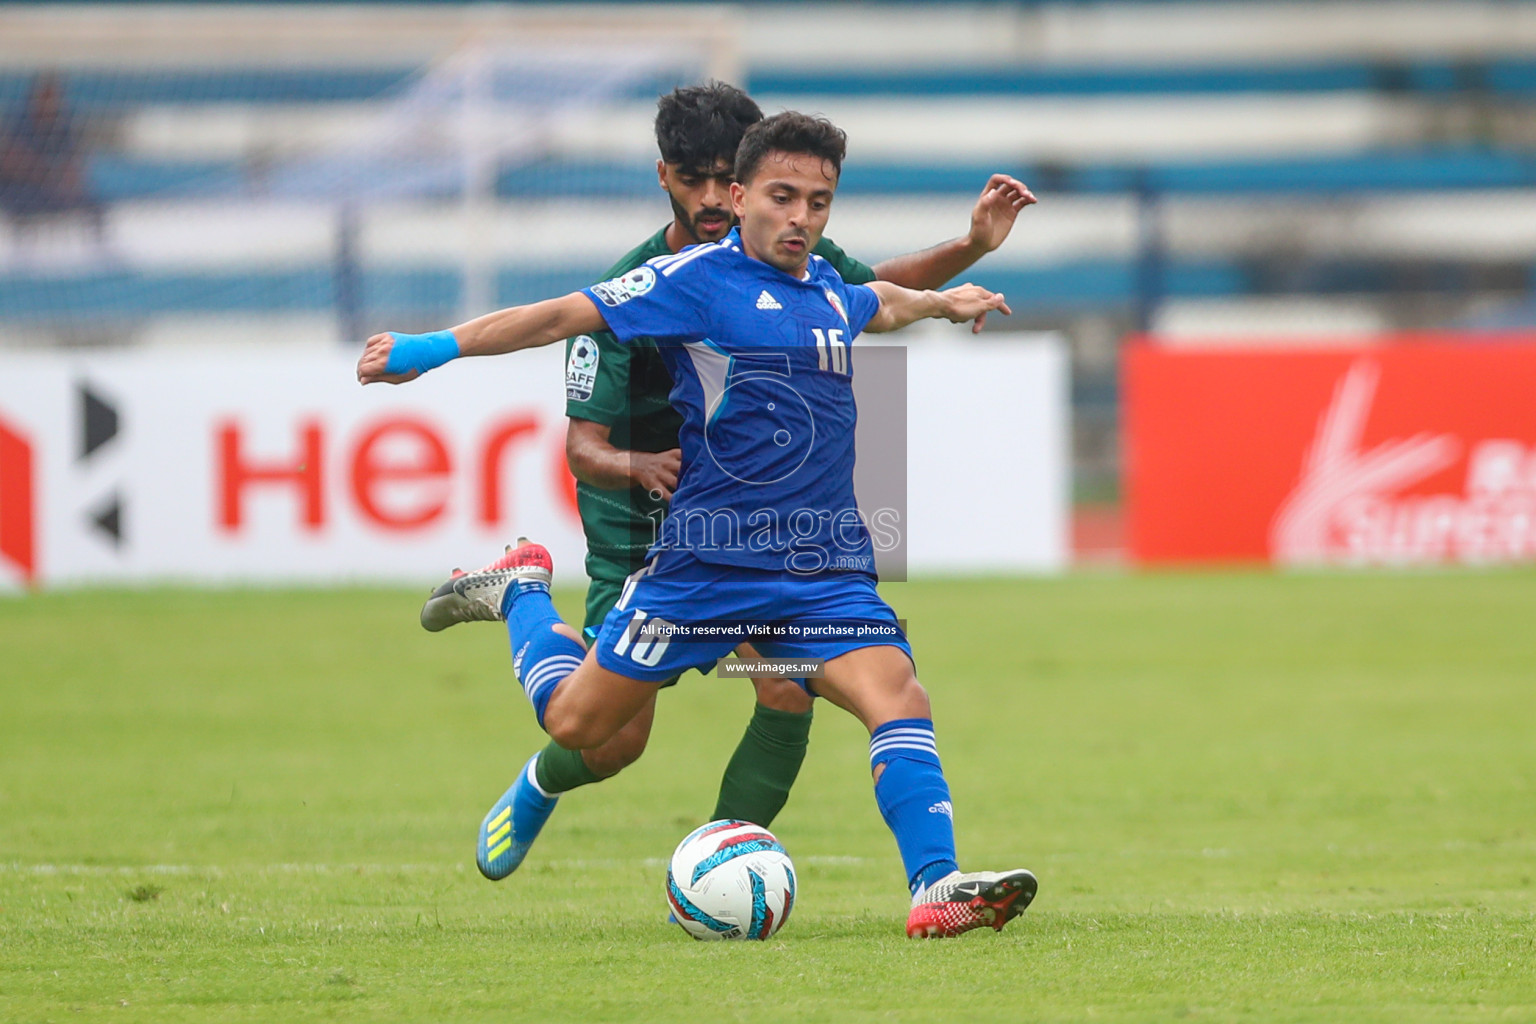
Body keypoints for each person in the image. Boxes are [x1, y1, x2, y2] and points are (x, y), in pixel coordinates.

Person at [358, 111, 1038, 938]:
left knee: (898, 695)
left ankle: (935, 886)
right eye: (783, 197)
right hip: (702, 572)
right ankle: (523, 594)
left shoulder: (826, 283)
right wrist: (432, 348)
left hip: (821, 568)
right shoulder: (690, 282)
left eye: (818, 202)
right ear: (742, 194)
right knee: (581, 726)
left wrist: (942, 297)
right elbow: (557, 316)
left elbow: (879, 301)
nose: (801, 218)